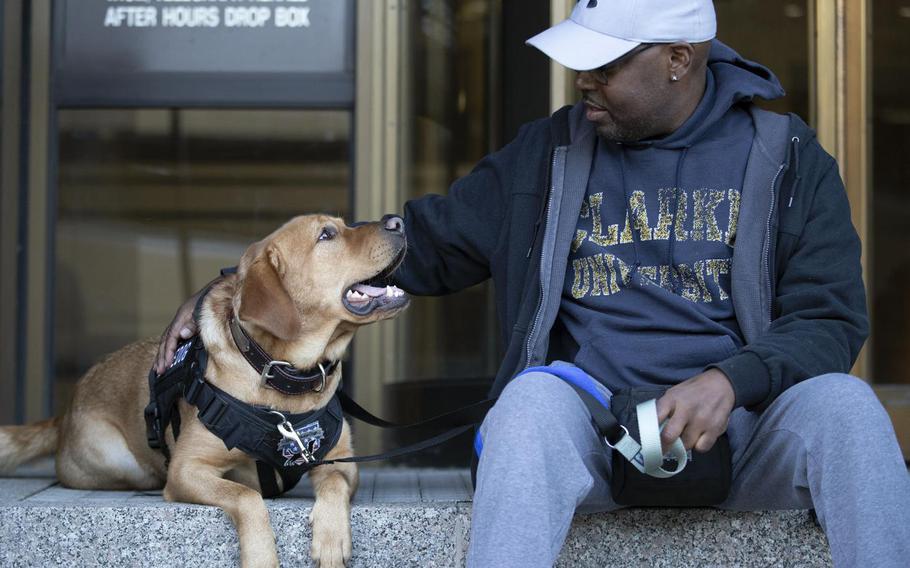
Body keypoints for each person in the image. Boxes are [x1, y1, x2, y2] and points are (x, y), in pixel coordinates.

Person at [156, 1, 910, 566]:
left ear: (680, 58)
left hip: (745, 434)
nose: (584, 79)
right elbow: (426, 240)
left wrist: (730, 380)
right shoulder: (549, 152)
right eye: (581, 60)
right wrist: (230, 296)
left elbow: (832, 319)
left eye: (608, 66)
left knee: (846, 407)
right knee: (525, 402)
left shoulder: (787, 159)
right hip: (590, 431)